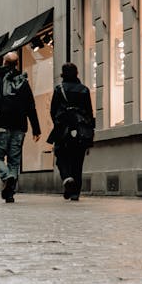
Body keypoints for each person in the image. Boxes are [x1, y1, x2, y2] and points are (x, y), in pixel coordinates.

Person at [0, 52, 42, 203]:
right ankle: (10, 193)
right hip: (19, 127)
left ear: (4, 63)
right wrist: (36, 128)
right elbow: (30, 106)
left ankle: (7, 177)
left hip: (0, 126)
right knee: (14, 160)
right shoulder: (23, 82)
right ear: (17, 64)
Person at [50, 62, 94, 201]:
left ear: (63, 74)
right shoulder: (84, 90)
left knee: (61, 156)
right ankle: (75, 193)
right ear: (77, 73)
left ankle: (67, 178)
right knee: (77, 161)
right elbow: (89, 112)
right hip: (81, 130)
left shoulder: (59, 89)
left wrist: (58, 123)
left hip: (63, 128)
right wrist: (89, 132)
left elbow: (53, 111)